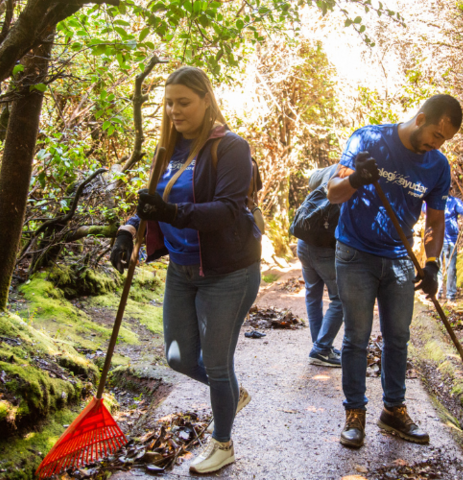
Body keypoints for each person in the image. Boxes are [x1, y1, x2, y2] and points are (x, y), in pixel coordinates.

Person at [109, 66, 261, 474]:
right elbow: (148, 202)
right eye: (169, 103)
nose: (174, 110)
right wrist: (128, 229)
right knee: (177, 358)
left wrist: (172, 212)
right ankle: (228, 392)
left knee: (215, 362)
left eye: (184, 102)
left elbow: (229, 211)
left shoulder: (230, 147)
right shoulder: (167, 148)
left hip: (228, 271)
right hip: (182, 268)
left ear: (206, 100)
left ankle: (223, 443)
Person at [327, 94, 463, 448]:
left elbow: (434, 219)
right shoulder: (367, 139)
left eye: (444, 140)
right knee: (356, 337)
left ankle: (393, 410)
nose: (437, 144)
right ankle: (354, 414)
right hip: (355, 252)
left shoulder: (437, 166)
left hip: (401, 257)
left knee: (398, 338)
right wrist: (358, 178)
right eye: (436, 134)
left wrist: (432, 263)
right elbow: (333, 193)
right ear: (420, 119)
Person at [293, 163, 343, 367]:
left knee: (313, 295)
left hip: (304, 241)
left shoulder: (330, 169)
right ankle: (321, 348)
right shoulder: (351, 172)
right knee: (340, 299)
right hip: (324, 248)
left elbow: (312, 181)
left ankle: (320, 345)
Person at [439, 195, 463, 301]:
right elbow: (425, 210)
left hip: (450, 241)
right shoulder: (433, 198)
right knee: (436, 266)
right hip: (436, 240)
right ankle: (438, 291)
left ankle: (450, 295)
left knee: (451, 268)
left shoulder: (454, 201)